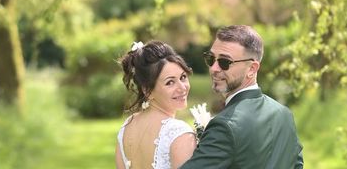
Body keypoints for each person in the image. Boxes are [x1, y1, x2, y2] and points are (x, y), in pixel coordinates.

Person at [180, 25, 304, 169]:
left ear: (252, 69)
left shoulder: (225, 125)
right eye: (211, 59)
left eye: (224, 62)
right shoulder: (284, 114)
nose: (214, 68)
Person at [116, 40, 197, 169]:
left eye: (182, 77)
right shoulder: (178, 132)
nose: (182, 88)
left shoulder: (127, 127)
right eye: (170, 82)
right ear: (147, 90)